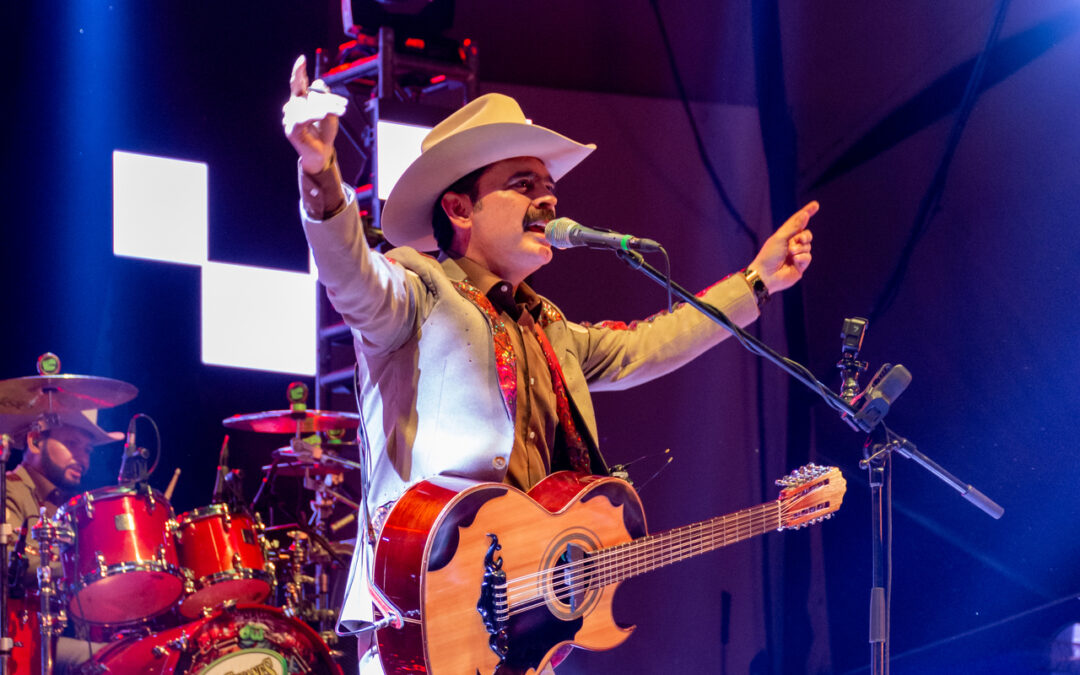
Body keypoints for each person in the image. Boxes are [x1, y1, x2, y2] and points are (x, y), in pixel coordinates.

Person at [283, 55, 816, 674]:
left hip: (516, 633)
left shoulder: (549, 325)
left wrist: (755, 283)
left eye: (548, 185)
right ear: (459, 209)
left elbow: (649, 344)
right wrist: (320, 174)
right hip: (423, 612)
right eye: (523, 183)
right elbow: (351, 278)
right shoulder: (416, 287)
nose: (548, 197)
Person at [2, 409, 122, 671]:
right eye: (72, 443)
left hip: (48, 632)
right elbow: (8, 568)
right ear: (35, 441)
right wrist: (83, 569)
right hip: (15, 634)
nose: (82, 459)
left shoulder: (68, 506)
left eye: (87, 450)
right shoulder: (8, 490)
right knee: (111, 661)